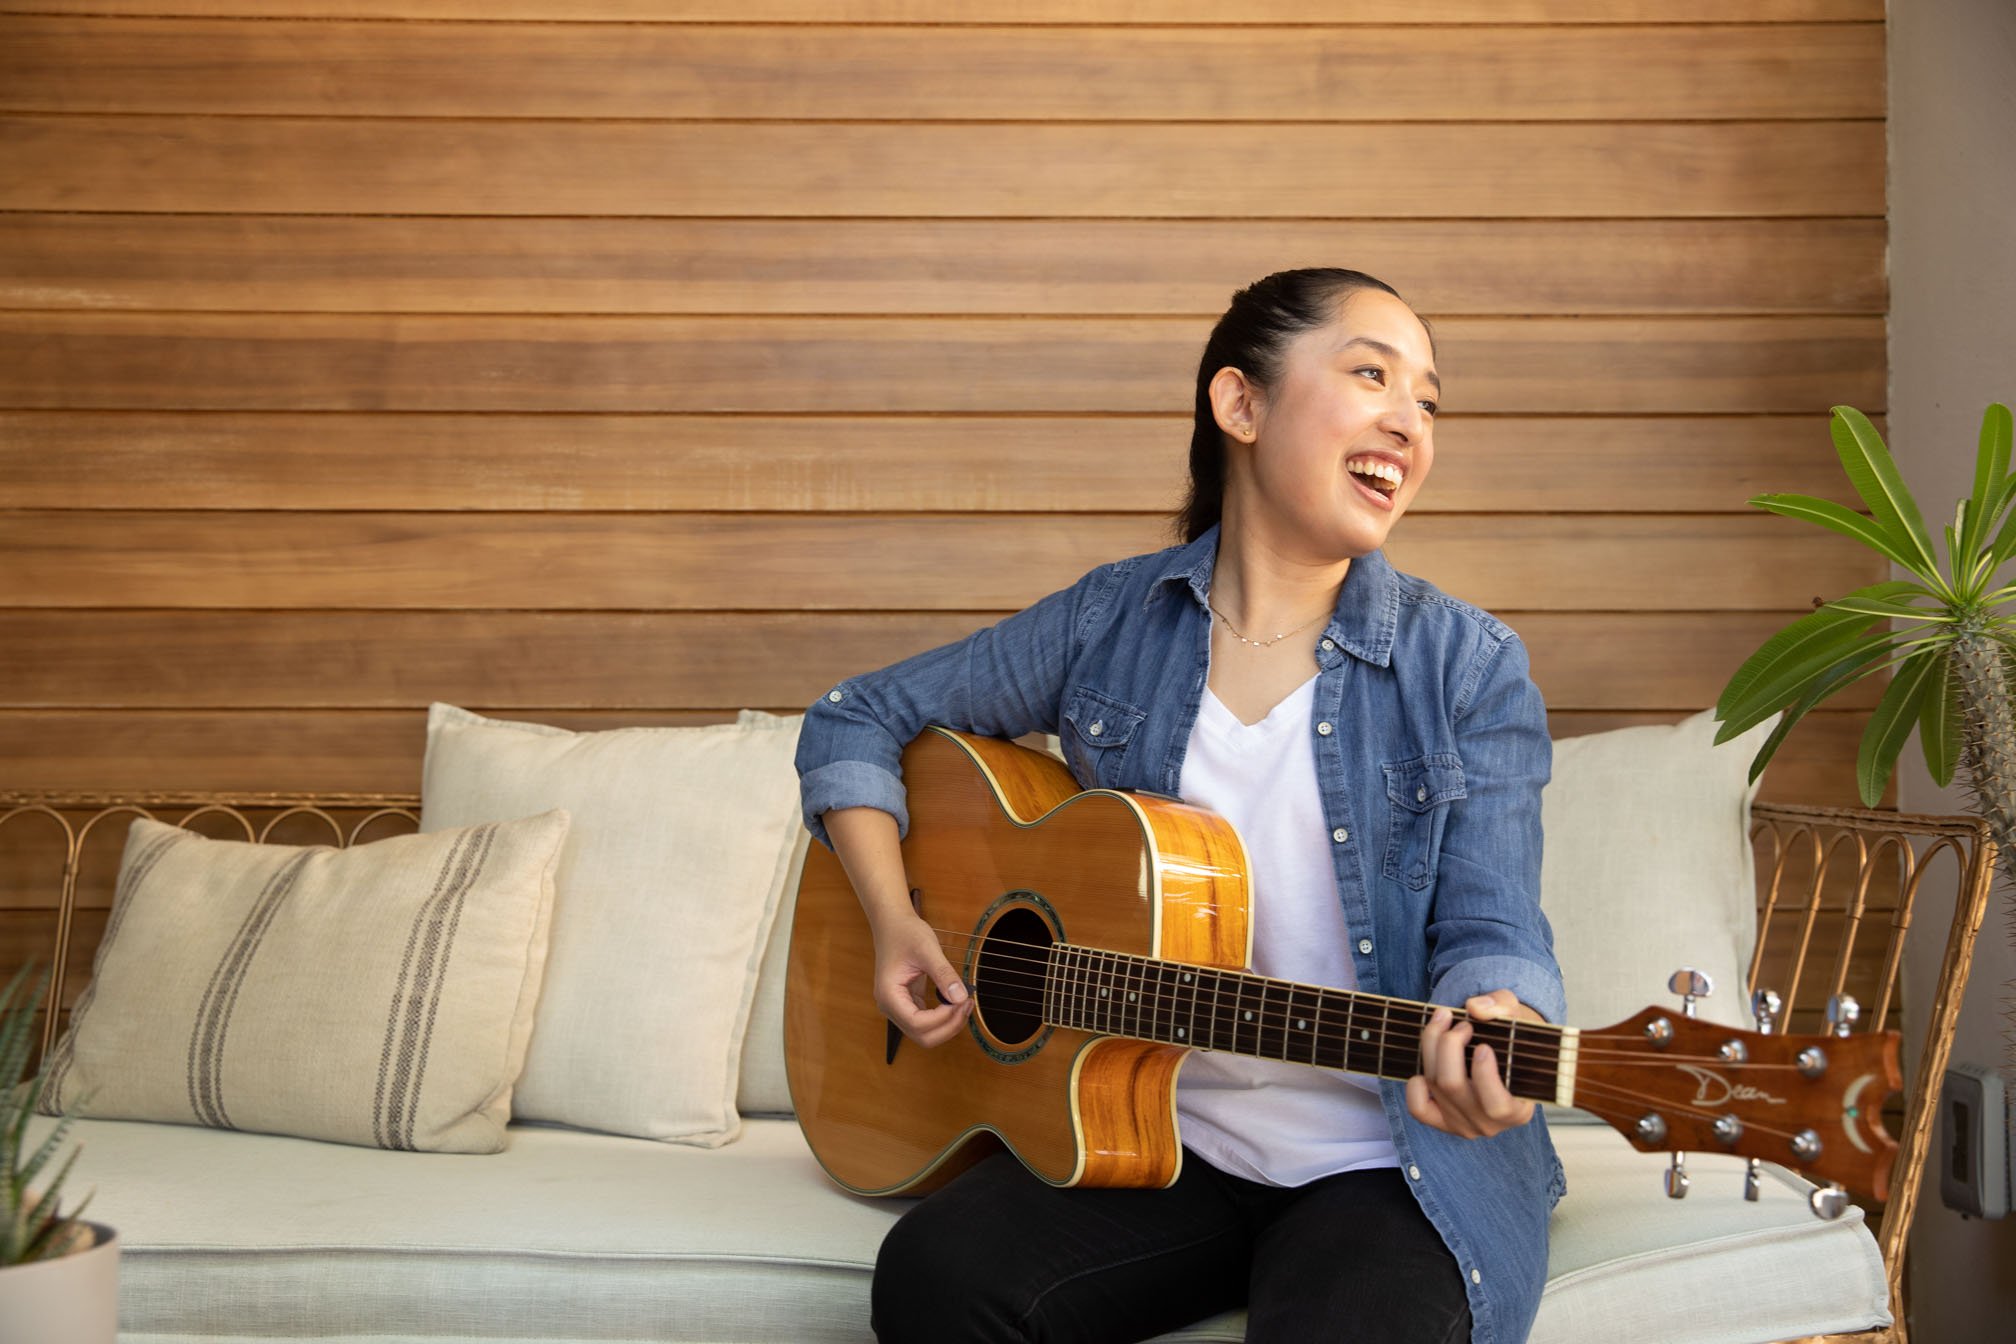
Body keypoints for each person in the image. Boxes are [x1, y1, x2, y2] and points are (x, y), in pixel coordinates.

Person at [794, 268, 1564, 1344]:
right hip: (1155, 1136)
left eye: (1428, 401)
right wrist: (896, 921)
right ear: (1240, 405)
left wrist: (1502, 1023)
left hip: (1383, 1165)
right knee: (935, 1276)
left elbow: (1497, 926)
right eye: (1371, 375)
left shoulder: (1468, 666)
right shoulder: (1113, 620)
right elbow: (855, 717)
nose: (1410, 422)